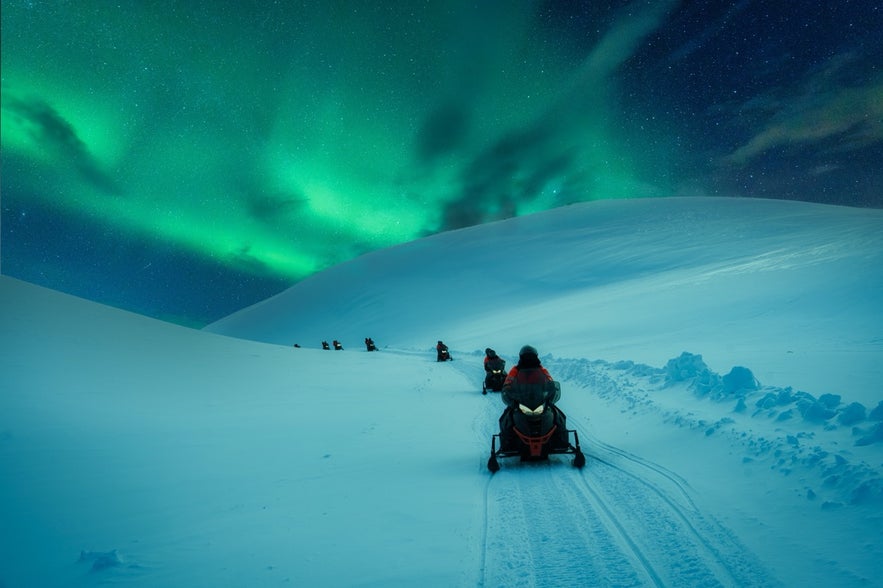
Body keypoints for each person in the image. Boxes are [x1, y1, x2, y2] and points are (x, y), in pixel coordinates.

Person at [501, 345, 559, 409]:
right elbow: (509, 380)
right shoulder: (516, 370)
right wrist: (507, 387)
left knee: (555, 412)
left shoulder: (541, 369)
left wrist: (551, 385)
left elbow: (549, 379)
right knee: (508, 413)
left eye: (531, 357)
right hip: (520, 398)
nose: (529, 359)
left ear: (535, 357)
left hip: (539, 398)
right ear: (522, 357)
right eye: (526, 357)